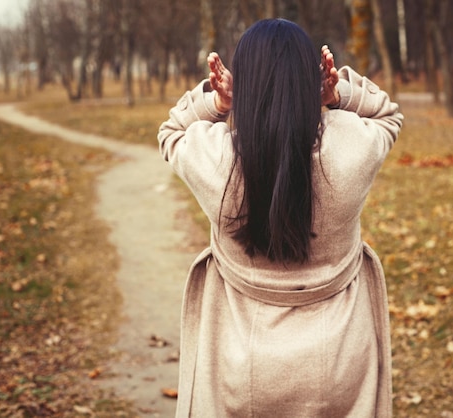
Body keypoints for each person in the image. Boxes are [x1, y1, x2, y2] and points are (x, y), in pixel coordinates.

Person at [158, 18, 403, 418]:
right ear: (309, 79)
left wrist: (218, 103)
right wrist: (336, 94)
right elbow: (388, 116)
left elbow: (172, 132)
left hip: (240, 366)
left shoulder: (219, 160)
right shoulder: (351, 146)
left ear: (245, 87)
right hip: (339, 360)